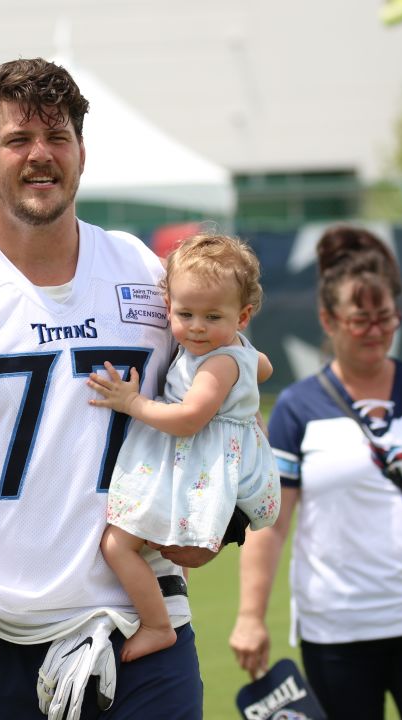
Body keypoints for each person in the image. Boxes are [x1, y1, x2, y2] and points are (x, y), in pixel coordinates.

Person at [0, 58, 220, 719]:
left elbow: (209, 408)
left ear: (82, 151)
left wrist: (230, 495)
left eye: (58, 138)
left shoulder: (144, 273)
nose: (41, 156)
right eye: (19, 139)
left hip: (140, 625)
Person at [229, 225, 402, 720]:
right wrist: (251, 616)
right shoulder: (297, 408)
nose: (377, 331)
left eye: (386, 317)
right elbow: (270, 523)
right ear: (328, 320)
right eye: (361, 320)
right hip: (337, 631)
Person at [87, 233, 280, 662]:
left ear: (243, 315)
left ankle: (157, 624)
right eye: (184, 313)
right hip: (197, 461)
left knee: (118, 545)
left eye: (212, 316)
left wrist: (132, 402)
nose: (195, 327)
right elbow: (263, 367)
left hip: (193, 464)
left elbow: (191, 418)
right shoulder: (235, 350)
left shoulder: (218, 362)